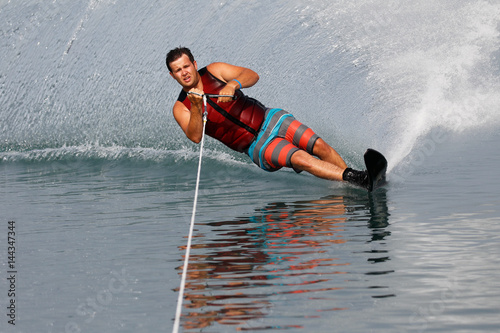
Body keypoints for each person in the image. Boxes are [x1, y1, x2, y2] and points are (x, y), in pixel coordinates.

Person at [166, 47, 369, 189]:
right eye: (178, 70)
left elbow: (252, 75)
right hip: (258, 146)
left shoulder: (214, 70)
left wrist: (233, 84)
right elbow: (195, 137)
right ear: (172, 75)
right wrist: (195, 106)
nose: (184, 72)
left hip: (271, 118)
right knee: (301, 159)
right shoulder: (181, 107)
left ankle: (356, 184)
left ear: (194, 64)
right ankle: (357, 178)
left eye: (186, 66)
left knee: (320, 146)